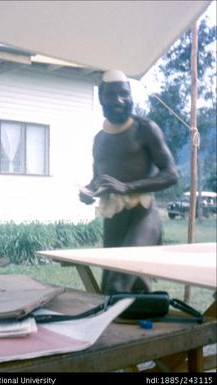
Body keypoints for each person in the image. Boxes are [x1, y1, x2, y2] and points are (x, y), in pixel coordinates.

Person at [79, 69, 179, 294]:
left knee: (119, 284)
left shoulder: (145, 129)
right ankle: (143, 327)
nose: (118, 100)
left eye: (124, 94)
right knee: (113, 289)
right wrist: (88, 191)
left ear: (131, 96)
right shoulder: (100, 139)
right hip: (114, 217)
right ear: (101, 99)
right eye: (111, 95)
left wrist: (128, 187)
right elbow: (98, 178)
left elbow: (171, 174)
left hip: (143, 215)